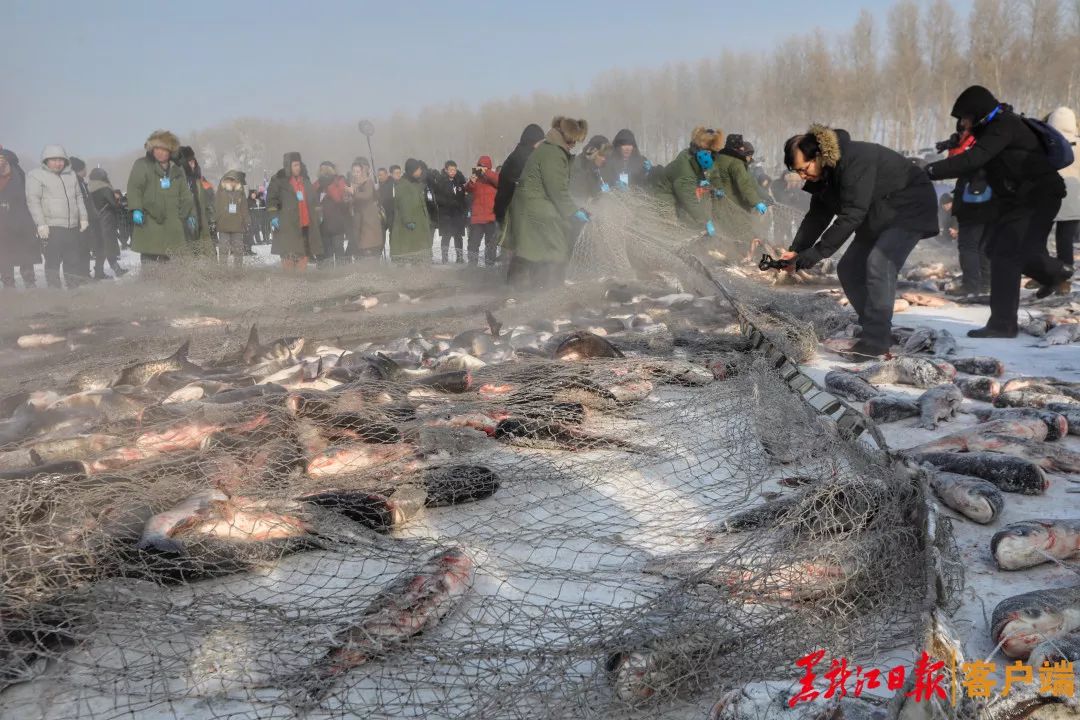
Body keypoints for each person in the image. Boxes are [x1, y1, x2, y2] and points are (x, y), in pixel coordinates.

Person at [780, 123, 938, 358]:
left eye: (804, 169)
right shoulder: (823, 175)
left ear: (819, 156)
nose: (803, 176)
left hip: (909, 208)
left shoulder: (854, 159)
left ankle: (876, 340)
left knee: (879, 263)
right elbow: (817, 215)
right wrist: (797, 251)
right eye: (798, 172)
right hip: (878, 214)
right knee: (849, 269)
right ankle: (874, 328)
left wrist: (815, 254)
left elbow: (852, 214)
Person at [926, 86, 1072, 336]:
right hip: (1021, 199)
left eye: (964, 117)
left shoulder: (1004, 125)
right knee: (995, 248)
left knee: (1007, 254)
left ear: (977, 112)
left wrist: (929, 171)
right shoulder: (994, 129)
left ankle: (1003, 324)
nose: (963, 123)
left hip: (1037, 197)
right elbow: (977, 165)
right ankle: (1056, 273)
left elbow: (974, 160)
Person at [504, 116, 589, 289]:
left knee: (529, 249)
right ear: (567, 137)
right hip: (536, 207)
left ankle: (519, 286)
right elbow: (557, 189)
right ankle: (551, 289)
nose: (574, 145)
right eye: (574, 140)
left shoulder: (549, 149)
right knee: (556, 248)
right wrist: (574, 212)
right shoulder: (554, 154)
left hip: (532, 206)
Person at [126, 130, 194, 264]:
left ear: (171, 151)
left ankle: (166, 284)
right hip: (150, 220)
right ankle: (148, 284)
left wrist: (190, 214)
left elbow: (185, 194)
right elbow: (134, 188)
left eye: (164, 149)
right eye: (157, 148)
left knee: (169, 263)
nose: (160, 152)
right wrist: (136, 208)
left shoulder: (177, 169)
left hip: (172, 223)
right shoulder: (142, 165)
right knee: (149, 260)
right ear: (152, 148)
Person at [25, 145, 89, 288]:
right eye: (53, 160)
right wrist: (40, 223)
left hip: (71, 226)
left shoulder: (71, 175)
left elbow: (78, 197)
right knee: (53, 262)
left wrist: (83, 217)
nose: (58, 163)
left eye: (61, 160)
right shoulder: (36, 175)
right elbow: (33, 201)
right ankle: (55, 293)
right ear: (46, 160)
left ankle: (74, 290)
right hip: (51, 227)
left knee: (72, 261)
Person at [652, 127, 726, 236]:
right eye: (706, 152)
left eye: (711, 153)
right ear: (698, 149)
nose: (709, 155)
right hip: (665, 192)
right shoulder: (685, 165)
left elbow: (714, 175)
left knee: (691, 222)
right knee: (669, 226)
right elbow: (689, 199)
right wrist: (705, 220)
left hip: (683, 192)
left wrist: (719, 188)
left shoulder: (708, 160)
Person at [710, 134, 768, 256]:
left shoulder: (718, 158)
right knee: (745, 234)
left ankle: (726, 256)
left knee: (726, 234)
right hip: (735, 207)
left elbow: (712, 177)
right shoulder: (736, 162)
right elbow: (745, 185)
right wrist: (757, 202)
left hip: (717, 205)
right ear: (739, 148)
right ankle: (745, 258)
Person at [266, 151, 323, 271]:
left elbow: (313, 200)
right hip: (288, 227)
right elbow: (271, 200)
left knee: (303, 261)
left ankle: (300, 287)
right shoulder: (278, 180)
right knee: (288, 261)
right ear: (288, 165)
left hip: (306, 228)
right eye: (295, 165)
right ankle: (289, 287)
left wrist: (318, 214)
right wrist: (273, 216)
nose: (298, 167)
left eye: (299, 164)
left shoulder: (305, 180)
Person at [1047, 106, 1078, 294]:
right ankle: (1064, 279)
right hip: (1074, 203)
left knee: (1038, 239)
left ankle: (1043, 274)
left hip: (1049, 199)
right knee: (1065, 242)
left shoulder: (1048, 144)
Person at [0, 148, 40, 288]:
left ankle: (30, 285)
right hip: (5, 223)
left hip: (20, 219)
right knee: (4, 256)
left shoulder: (16, 171)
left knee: (24, 255)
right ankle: (10, 286)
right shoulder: (17, 169)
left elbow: (25, 195)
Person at [494, 123, 546, 227]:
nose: (542, 145)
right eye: (540, 142)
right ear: (532, 141)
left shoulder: (520, 154)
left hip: (508, 212)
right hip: (515, 214)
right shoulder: (524, 157)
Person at [87, 168, 127, 278]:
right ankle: (116, 269)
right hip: (107, 219)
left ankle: (99, 271)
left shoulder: (89, 187)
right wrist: (119, 200)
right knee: (109, 245)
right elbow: (114, 204)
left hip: (95, 221)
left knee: (101, 246)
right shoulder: (105, 187)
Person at [177, 146, 216, 258]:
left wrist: (212, 219)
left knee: (207, 250)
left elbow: (209, 200)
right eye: (189, 161)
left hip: (202, 219)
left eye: (194, 161)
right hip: (186, 221)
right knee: (191, 250)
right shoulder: (179, 181)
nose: (193, 163)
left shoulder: (200, 180)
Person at [390, 158, 431, 260]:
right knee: (409, 252)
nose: (420, 171)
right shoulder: (403, 185)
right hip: (410, 226)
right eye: (418, 169)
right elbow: (404, 205)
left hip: (418, 223)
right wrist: (408, 221)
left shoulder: (415, 184)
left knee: (418, 252)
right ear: (412, 170)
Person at [345, 156, 383, 260]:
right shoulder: (355, 184)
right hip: (359, 221)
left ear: (363, 171)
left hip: (368, 221)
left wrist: (353, 193)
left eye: (358, 171)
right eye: (354, 171)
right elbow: (353, 200)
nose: (355, 174)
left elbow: (367, 196)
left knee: (368, 246)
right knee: (360, 247)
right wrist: (348, 198)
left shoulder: (368, 182)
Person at [68, 157, 101, 278]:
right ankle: (81, 275)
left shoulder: (81, 181)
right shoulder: (75, 182)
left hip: (86, 220)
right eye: (84, 168)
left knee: (85, 249)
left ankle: (84, 273)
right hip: (80, 222)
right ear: (79, 169)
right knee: (81, 249)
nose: (86, 170)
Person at [314, 161, 349, 268]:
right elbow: (312, 197)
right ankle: (329, 275)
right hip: (323, 223)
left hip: (337, 222)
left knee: (338, 249)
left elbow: (338, 198)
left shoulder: (339, 180)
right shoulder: (317, 183)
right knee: (327, 251)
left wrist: (328, 185)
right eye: (322, 170)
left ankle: (341, 272)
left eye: (326, 169)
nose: (324, 172)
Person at [464, 155, 499, 265]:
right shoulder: (476, 178)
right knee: (473, 245)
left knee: (490, 245)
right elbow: (468, 188)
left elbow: (499, 182)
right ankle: (472, 266)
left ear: (488, 167)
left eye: (483, 167)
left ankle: (490, 266)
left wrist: (486, 173)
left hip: (491, 217)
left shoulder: (493, 177)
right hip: (477, 218)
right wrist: (472, 180)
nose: (481, 169)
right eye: (479, 166)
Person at [214, 170, 250, 267]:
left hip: (237, 225)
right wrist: (214, 220)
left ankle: (238, 271)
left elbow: (244, 208)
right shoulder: (221, 191)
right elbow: (216, 206)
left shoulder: (241, 192)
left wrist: (247, 221)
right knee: (223, 250)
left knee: (238, 250)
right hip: (223, 225)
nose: (234, 183)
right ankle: (223, 270)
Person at [434, 161, 468, 263]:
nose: (453, 172)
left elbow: (463, 197)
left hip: (457, 214)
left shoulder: (460, 182)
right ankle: (445, 258)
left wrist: (463, 208)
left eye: (454, 170)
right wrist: (450, 203)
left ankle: (459, 257)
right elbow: (438, 198)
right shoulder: (440, 182)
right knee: (446, 237)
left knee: (458, 237)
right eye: (451, 170)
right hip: (446, 215)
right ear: (446, 170)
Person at [570, 135, 613, 204]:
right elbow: (578, 196)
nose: (604, 159)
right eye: (601, 155)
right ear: (593, 153)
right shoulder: (580, 167)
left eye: (605, 156)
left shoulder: (596, 167)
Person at [379, 164, 401, 244]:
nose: (398, 175)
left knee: (395, 234)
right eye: (396, 173)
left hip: (394, 213)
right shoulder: (384, 185)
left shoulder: (396, 183)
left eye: (399, 173)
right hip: (387, 213)